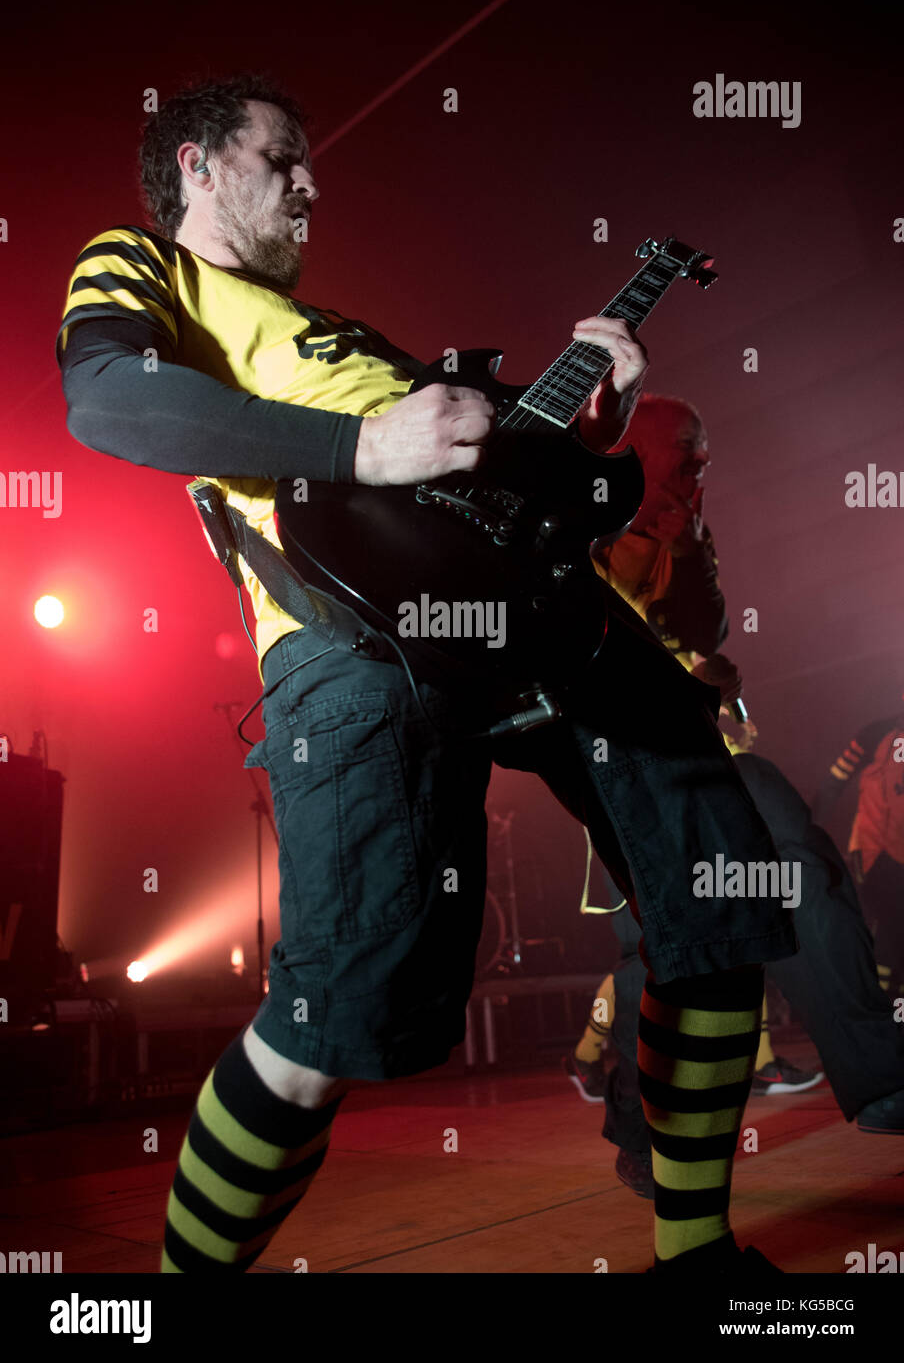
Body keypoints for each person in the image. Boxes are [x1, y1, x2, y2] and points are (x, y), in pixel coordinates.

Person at [56, 74, 799, 1275]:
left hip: (548, 606)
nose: (311, 182)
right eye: (281, 157)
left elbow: (500, 465)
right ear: (195, 165)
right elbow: (103, 399)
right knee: (341, 1003)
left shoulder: (354, 339)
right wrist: (359, 443)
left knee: (718, 896)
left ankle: (694, 1254)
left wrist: (589, 424)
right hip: (353, 636)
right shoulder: (144, 267)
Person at [568, 396, 904, 1197]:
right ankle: (641, 1136)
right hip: (618, 760)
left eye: (705, 457)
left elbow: (707, 632)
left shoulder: (682, 536)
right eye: (687, 454)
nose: (701, 470)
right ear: (633, 453)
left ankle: (881, 1077)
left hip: (705, 750)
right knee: (658, 950)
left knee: (800, 862)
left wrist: (691, 544)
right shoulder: (579, 525)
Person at [813, 702, 904, 994]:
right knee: (891, 925)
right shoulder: (875, 735)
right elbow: (832, 785)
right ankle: (880, 1009)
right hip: (875, 849)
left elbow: (831, 785)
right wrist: (809, 831)